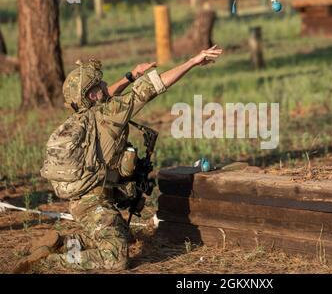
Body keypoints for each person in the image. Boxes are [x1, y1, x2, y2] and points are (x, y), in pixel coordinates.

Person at [14, 45, 223, 273]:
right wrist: (192, 61)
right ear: (93, 94)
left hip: (82, 199)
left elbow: (106, 95)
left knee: (123, 235)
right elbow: (155, 86)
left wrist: (131, 76)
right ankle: (49, 262)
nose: (106, 85)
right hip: (94, 203)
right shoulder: (111, 112)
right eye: (101, 84)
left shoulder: (81, 116)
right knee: (116, 258)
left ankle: (61, 244)